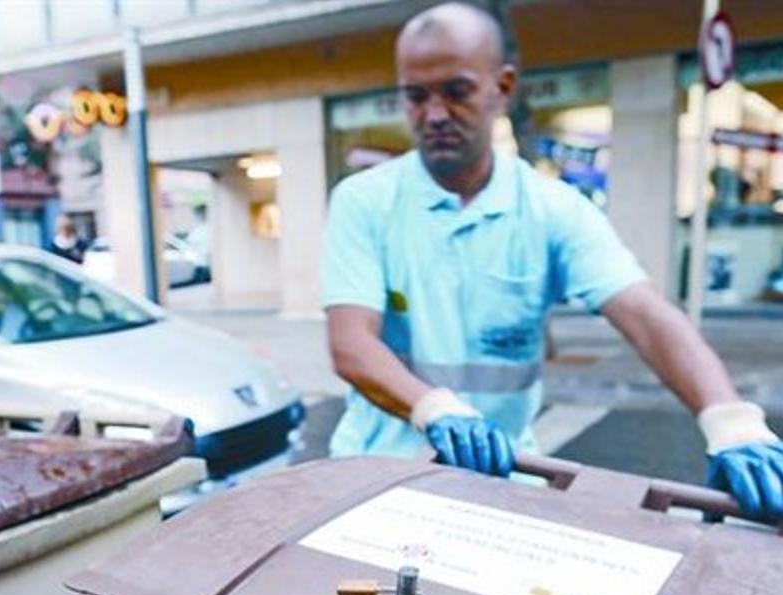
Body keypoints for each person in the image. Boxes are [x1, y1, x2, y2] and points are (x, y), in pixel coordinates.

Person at [321, 2, 783, 520]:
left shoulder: (553, 209)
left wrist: (730, 421)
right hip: (380, 476)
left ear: (503, 87)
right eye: (416, 95)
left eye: (456, 92)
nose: (433, 114)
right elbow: (351, 344)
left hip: (505, 476)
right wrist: (435, 409)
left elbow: (647, 315)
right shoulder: (364, 201)